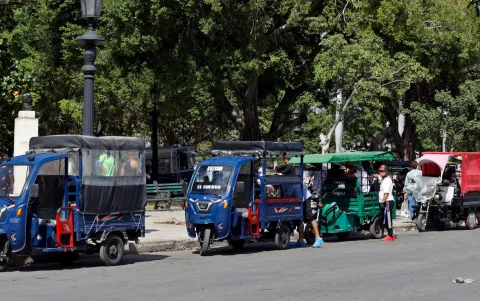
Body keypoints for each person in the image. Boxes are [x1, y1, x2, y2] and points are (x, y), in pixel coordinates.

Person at [291, 184, 324, 248]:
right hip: (299, 198)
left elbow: (288, 193)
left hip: (305, 197)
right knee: (300, 217)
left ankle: (318, 238)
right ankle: (301, 241)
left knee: (309, 217)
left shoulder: (287, 182)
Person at [377, 164, 395, 241]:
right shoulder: (384, 179)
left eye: (381, 171)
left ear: (386, 172)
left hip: (387, 201)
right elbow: (377, 175)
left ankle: (390, 235)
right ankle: (390, 234)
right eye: (379, 171)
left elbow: (386, 193)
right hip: (385, 201)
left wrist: (383, 202)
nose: (380, 172)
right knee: (385, 218)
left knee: (388, 218)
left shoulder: (387, 180)